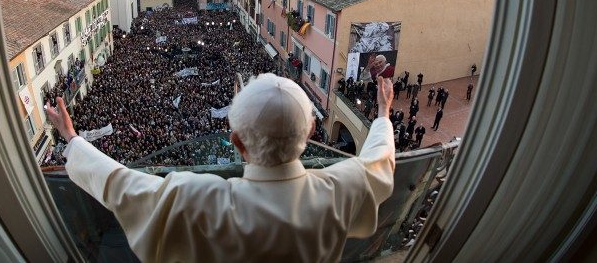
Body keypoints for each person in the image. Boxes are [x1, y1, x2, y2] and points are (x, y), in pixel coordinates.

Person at [46, 74, 396, 262]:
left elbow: (119, 183)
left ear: (237, 143)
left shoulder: (195, 198)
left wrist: (73, 139)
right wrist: (382, 116)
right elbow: (379, 163)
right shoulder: (340, 188)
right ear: (308, 133)